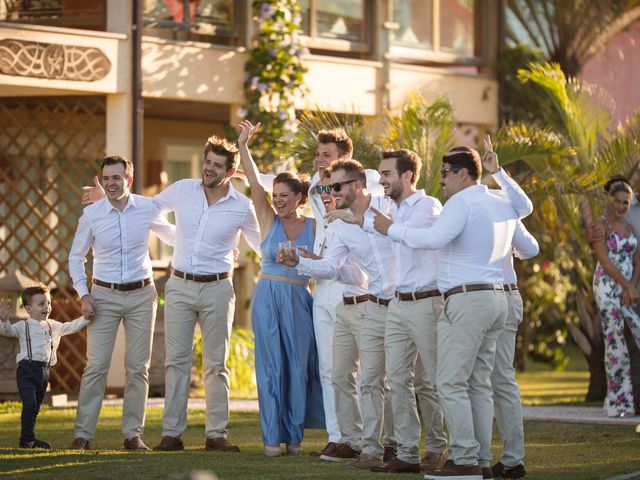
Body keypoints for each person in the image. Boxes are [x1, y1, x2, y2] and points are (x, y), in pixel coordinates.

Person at [369, 142, 527, 480]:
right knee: (479, 384)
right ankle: (481, 460)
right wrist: (499, 174)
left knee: (450, 381)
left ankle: (465, 459)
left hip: (468, 300)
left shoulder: (462, 201)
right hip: (498, 297)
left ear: (463, 174)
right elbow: (527, 229)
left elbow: (433, 239)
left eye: (445, 173)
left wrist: (390, 229)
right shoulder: (501, 202)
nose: (440, 179)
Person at [280, 159, 397, 470]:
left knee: (378, 380)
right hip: (350, 304)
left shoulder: (386, 208)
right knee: (340, 376)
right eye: (327, 187)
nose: (328, 192)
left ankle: (392, 444)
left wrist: (360, 218)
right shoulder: (341, 225)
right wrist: (299, 263)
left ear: (357, 185)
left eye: (336, 186)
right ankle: (353, 442)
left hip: (378, 305)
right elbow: (335, 268)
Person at [69, 155, 175, 451]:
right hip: (102, 296)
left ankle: (133, 435)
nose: (111, 183)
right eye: (106, 178)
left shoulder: (146, 208)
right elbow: (76, 258)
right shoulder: (92, 215)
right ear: (101, 181)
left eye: (117, 178)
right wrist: (83, 294)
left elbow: (172, 236)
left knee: (137, 368)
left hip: (142, 294)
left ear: (128, 180)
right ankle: (82, 435)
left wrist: (211, 244)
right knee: (96, 366)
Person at [237, 120, 324, 456]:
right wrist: (244, 145)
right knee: (272, 366)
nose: (278, 202)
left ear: (300, 198)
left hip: (301, 298)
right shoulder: (267, 219)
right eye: (276, 197)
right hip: (268, 296)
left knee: (300, 367)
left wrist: (324, 169)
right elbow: (256, 186)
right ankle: (272, 438)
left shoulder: (316, 225)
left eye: (285, 197)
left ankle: (295, 437)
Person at [361, 149, 447, 474]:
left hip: (427, 302)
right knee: (397, 380)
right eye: (381, 174)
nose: (381, 180)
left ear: (407, 175)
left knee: (432, 382)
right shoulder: (390, 209)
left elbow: (419, 240)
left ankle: (438, 449)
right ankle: (408, 453)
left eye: (386, 174)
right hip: (398, 303)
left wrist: (386, 227)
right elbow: (374, 226)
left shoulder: (429, 206)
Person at [0, 285, 89, 449]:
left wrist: (86, 318)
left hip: (44, 371)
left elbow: (71, 326)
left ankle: (28, 441)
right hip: (26, 370)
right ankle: (27, 439)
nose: (47, 307)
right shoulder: (23, 326)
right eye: (41, 304)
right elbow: (7, 332)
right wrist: (4, 321)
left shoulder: (52, 325)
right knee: (30, 404)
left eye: (48, 303)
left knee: (36, 408)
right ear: (28, 309)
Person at [491, 221, 539, 480]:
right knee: (491, 380)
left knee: (500, 379)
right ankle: (491, 459)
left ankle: (511, 460)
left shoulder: (503, 209)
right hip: (494, 297)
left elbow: (531, 249)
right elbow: (529, 250)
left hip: (499, 295)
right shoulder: (502, 209)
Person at [592, 177, 640, 417]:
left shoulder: (629, 227)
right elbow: (604, 261)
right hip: (608, 288)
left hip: (627, 290)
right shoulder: (601, 226)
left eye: (626, 202)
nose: (622, 206)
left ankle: (629, 399)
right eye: (618, 201)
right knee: (615, 343)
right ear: (609, 200)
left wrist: (632, 286)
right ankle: (618, 403)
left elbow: (637, 260)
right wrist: (625, 286)